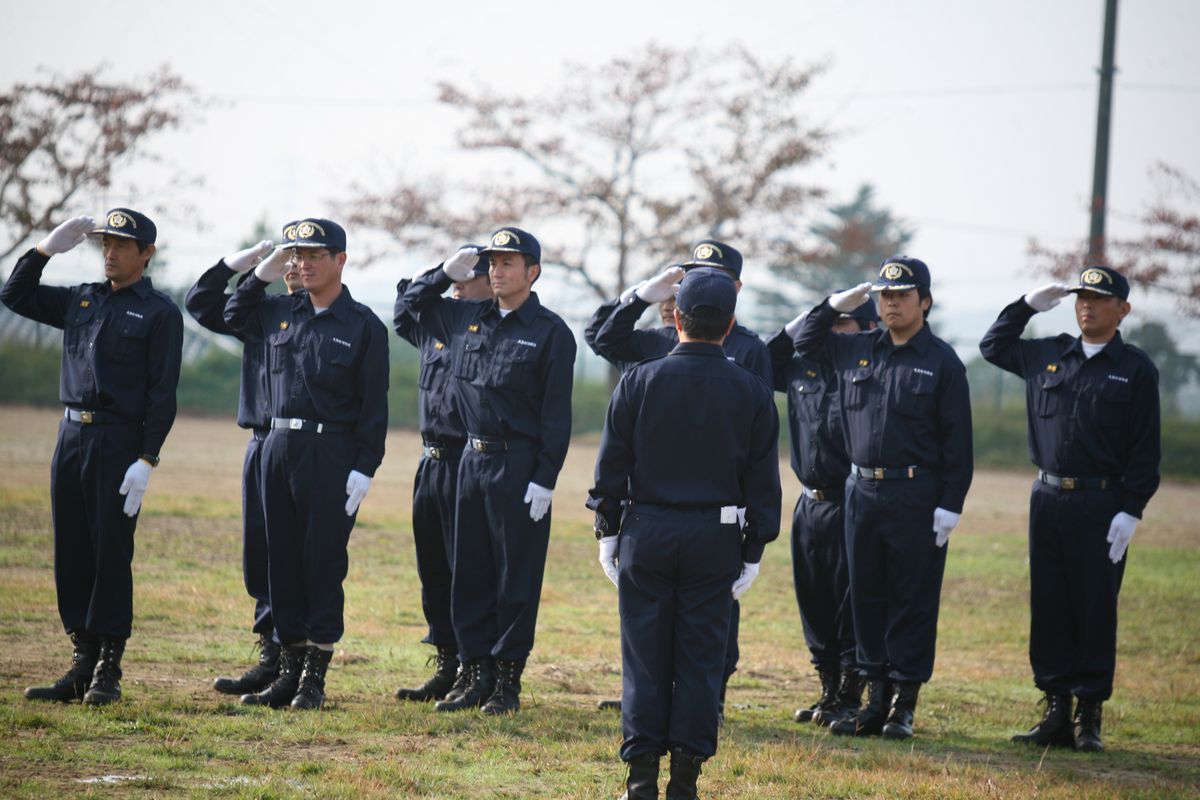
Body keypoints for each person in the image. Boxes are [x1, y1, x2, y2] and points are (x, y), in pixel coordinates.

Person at [588, 267, 781, 800]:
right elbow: (762, 482)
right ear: (730, 324)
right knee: (700, 661)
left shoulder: (639, 380)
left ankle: (641, 779)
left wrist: (607, 529)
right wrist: (754, 548)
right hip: (714, 536)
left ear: (675, 318)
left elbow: (611, 468)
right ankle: (686, 782)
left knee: (645, 658)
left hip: (646, 530)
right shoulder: (752, 391)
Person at [2, 209, 183, 705]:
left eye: (123, 245)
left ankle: (109, 668)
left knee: (110, 553)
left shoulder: (160, 313)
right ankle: (80, 661)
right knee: (73, 550)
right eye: (105, 243)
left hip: (118, 442)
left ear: (146, 253)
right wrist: (44, 250)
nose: (110, 252)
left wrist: (147, 459)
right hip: (71, 437)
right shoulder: (83, 298)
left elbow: (161, 394)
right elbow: (13, 294)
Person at [979, 266, 1160, 752]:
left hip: (1103, 502)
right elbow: (993, 346)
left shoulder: (1135, 368)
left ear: (1122, 310)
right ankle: (1056, 709)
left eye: (1099, 300)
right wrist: (1027, 306)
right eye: (1081, 298)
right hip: (1048, 496)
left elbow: (1146, 449)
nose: (1087, 306)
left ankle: (1089, 716)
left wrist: (1132, 509)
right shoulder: (1047, 354)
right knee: (1051, 602)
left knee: (1095, 605)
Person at [793, 255, 973, 740]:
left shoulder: (942, 362)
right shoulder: (855, 350)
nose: (891, 303)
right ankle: (873, 703)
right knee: (865, 596)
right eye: (885, 295)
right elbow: (803, 342)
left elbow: (958, 441)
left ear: (925, 302)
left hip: (917, 492)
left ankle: (905, 704)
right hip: (861, 490)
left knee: (911, 598)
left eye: (902, 295)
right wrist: (834, 305)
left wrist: (951, 503)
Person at [398, 227, 576, 715]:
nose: (496, 271)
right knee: (470, 574)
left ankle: (506, 682)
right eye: (491, 263)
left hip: (518, 465)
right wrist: (444, 273)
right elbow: (410, 306)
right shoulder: (464, 317)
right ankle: (474, 674)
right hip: (470, 462)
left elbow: (556, 414)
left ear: (532, 272)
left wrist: (546, 476)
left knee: (514, 578)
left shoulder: (551, 332)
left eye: (508, 263)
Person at [223, 218, 389, 710]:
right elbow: (232, 312)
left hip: (330, 454)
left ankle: (314, 677)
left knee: (321, 562)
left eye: (315, 254)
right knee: (282, 562)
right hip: (276, 446)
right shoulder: (278, 311)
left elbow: (373, 409)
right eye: (297, 254)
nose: (304, 262)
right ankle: (287, 670)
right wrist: (260, 273)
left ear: (340, 259)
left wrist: (365, 467)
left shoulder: (363, 326)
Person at [184, 222, 303, 696]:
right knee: (261, 554)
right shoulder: (261, 310)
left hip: (302, 447)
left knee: (295, 558)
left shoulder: (329, 315)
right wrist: (244, 265)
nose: (295, 265)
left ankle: (296, 660)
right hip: (259, 442)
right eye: (289, 256)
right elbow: (200, 303)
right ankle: (270, 656)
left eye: (304, 256)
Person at [766, 302, 878, 727]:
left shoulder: (866, 372)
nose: (831, 332)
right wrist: (808, 320)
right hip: (808, 501)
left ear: (866, 329)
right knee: (813, 598)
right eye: (825, 326)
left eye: (841, 324)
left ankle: (852, 691)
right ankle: (828, 688)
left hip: (851, 497)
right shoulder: (802, 368)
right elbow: (765, 359)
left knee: (850, 600)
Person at [391, 250, 492, 702]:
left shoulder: (494, 329)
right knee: (433, 571)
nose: (458, 285)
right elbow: (405, 307)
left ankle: (477, 667)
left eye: (469, 277)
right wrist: (440, 273)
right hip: (430, 463)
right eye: (455, 276)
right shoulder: (435, 323)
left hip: (468, 463)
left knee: (469, 572)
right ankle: (447, 663)